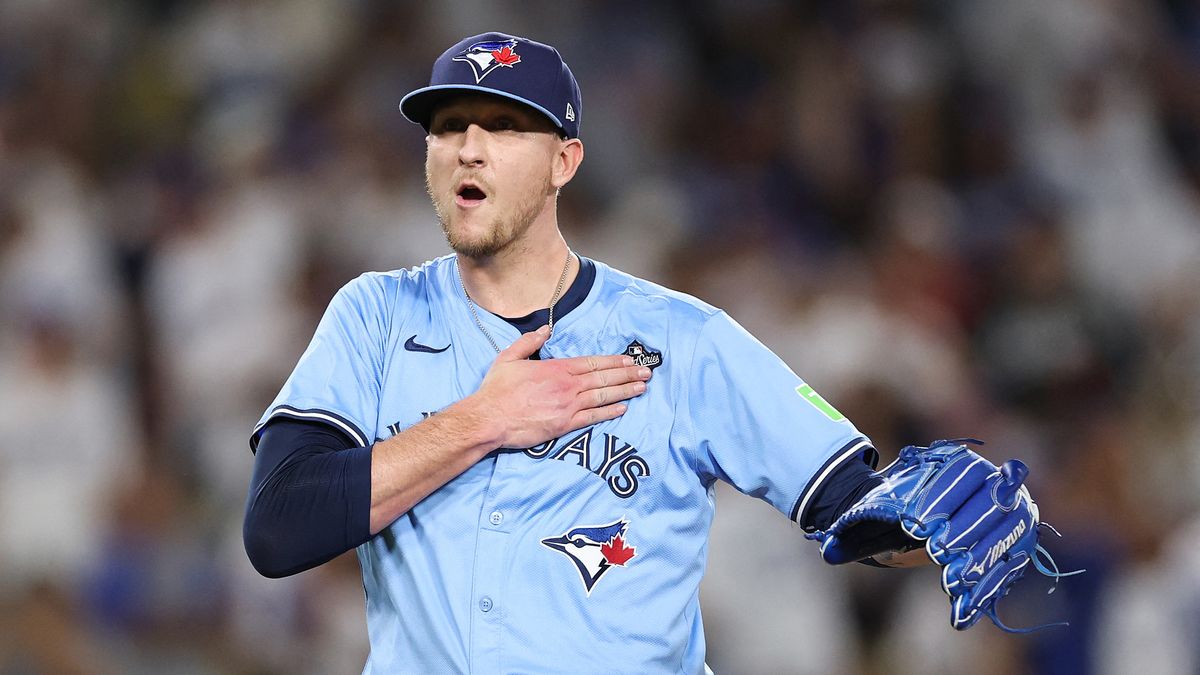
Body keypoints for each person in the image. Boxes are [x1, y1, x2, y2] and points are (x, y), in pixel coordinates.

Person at [243, 32, 1038, 673]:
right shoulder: (374, 317)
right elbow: (278, 528)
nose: (469, 149)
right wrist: (479, 421)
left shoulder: (683, 338)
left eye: (505, 126)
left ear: (565, 162)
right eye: (449, 126)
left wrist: (924, 531)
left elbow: (851, 509)